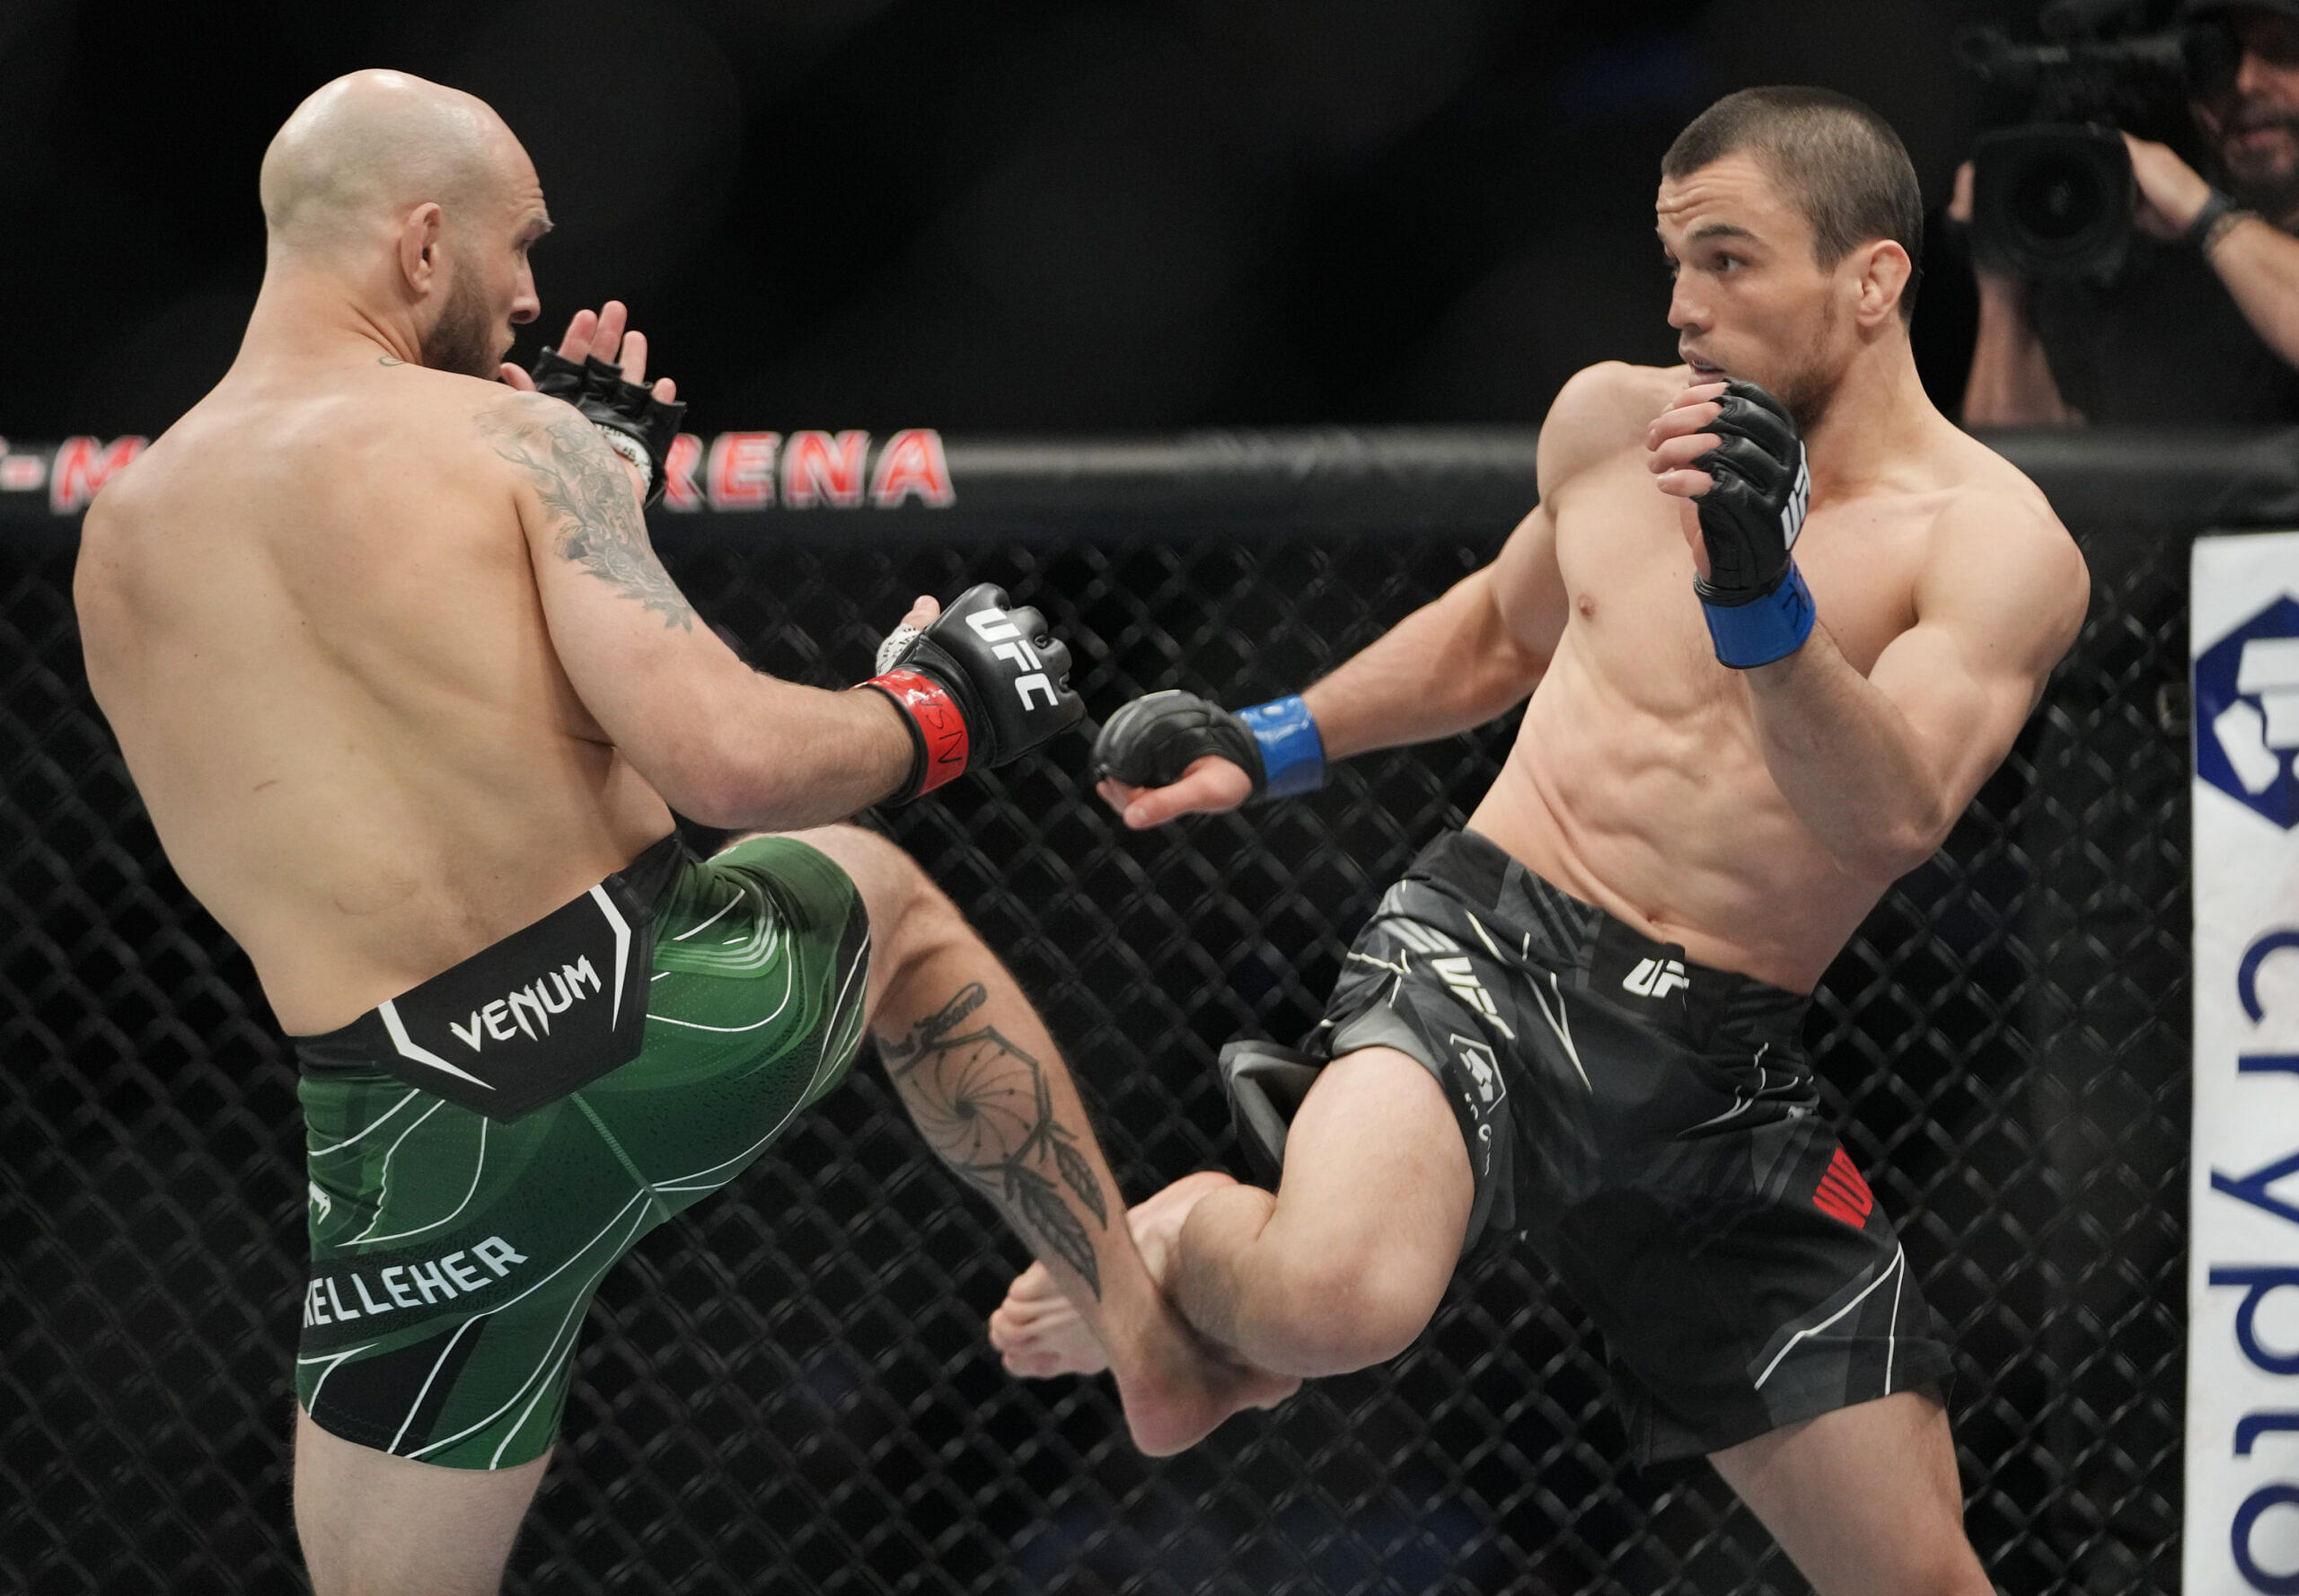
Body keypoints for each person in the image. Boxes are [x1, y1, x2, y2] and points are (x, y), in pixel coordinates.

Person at [73, 70, 1290, 1596]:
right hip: (653, 1013)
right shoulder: (511, 449)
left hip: (406, 1142)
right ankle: (1144, 1338)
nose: (533, 295)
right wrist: (936, 702)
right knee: (877, 892)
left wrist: (589, 492)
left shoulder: (119, 534)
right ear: (424, 246)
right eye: (520, 248)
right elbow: (730, 762)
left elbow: (348, 769)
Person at [991, 85, 2091, 1595]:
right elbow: (1504, 631)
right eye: (1673, 262)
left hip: (1716, 1067)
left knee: (1919, 1579)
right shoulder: (1614, 420)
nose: (1685, 307)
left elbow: (1896, 811)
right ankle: (1176, 1244)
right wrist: (1271, 738)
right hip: (1490, 945)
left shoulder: (1995, 540)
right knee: (1336, 1298)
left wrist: (1763, 594)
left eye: (1729, 262)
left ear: (1875, 279)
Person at [1960, 0, 2299, 425]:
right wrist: (2004, 277)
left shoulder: (2196, 215)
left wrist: (2205, 214)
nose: (2244, 82)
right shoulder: (2132, 263)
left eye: (2284, 52)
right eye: (2212, 61)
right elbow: (2014, 462)